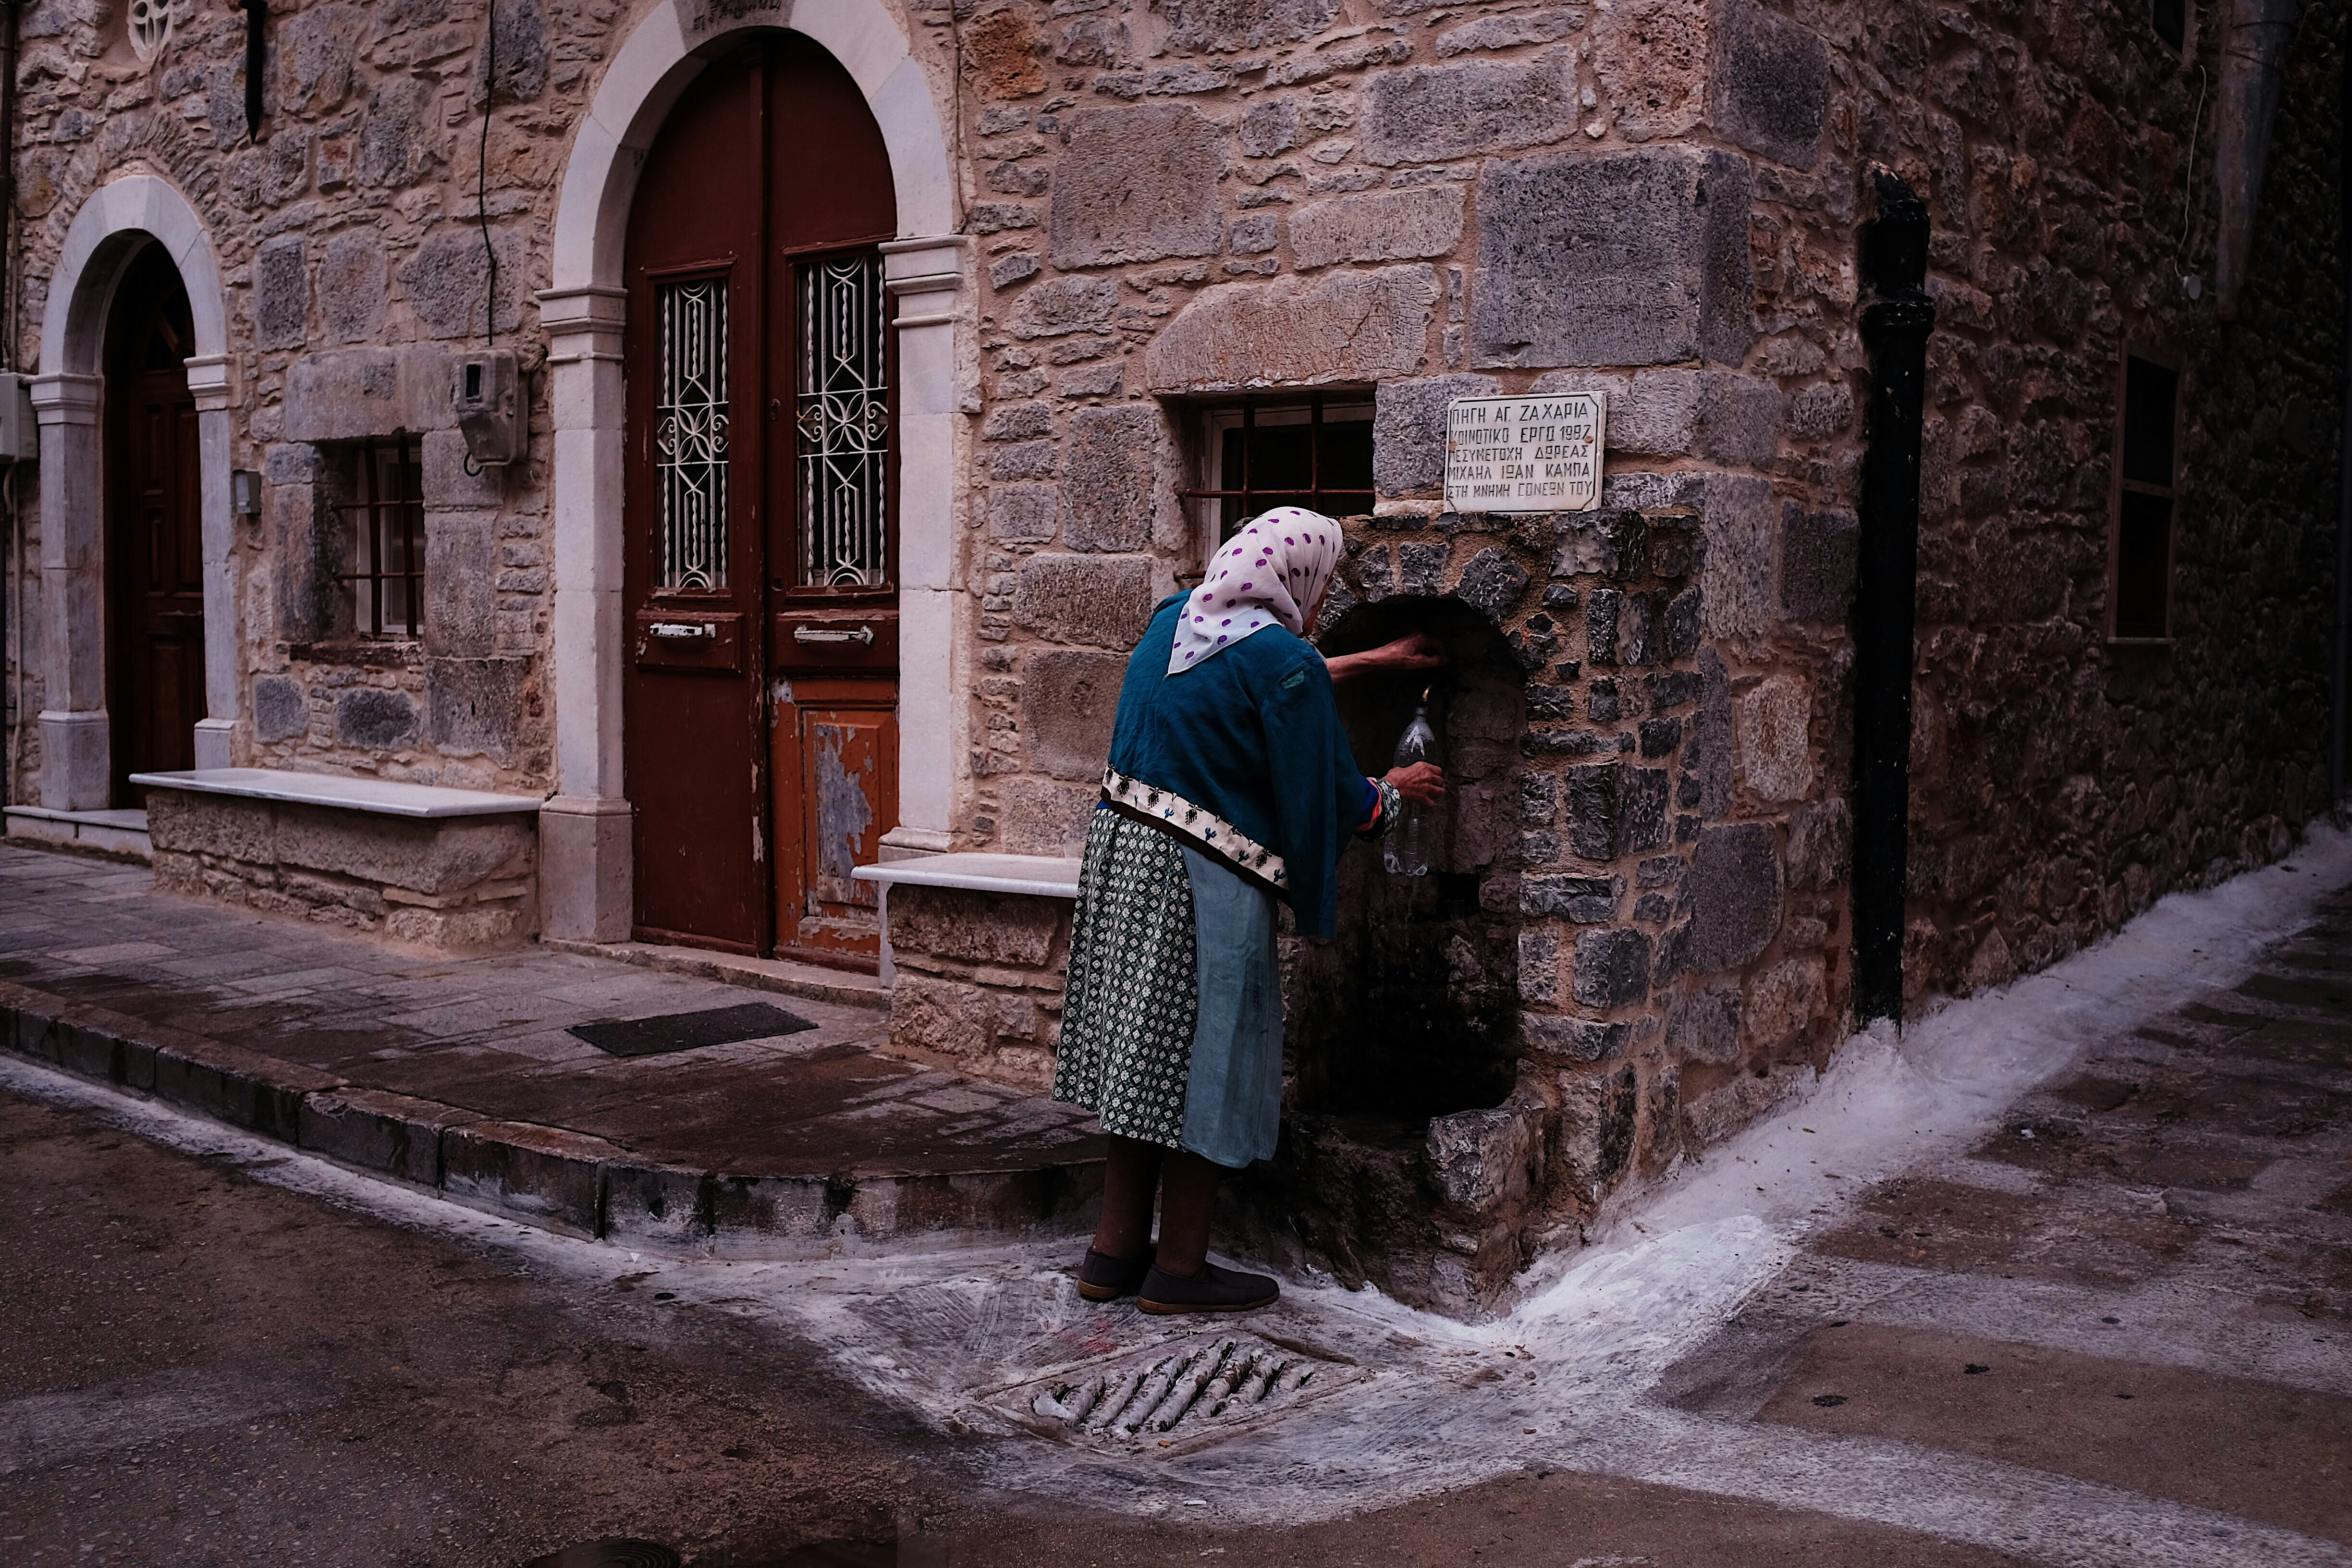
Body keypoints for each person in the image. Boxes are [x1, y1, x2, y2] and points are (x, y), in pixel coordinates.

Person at [1052, 506, 1446, 1315]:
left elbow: (1259, 680)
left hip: (1125, 862)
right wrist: (1392, 794)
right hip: (1203, 880)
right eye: (1326, 578)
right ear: (1296, 576)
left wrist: (1371, 660)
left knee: (1142, 1060)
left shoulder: (1176, 618)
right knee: (1209, 1060)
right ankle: (1182, 1270)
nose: (1327, 591)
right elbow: (1327, 788)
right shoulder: (1278, 661)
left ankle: (1114, 1254)